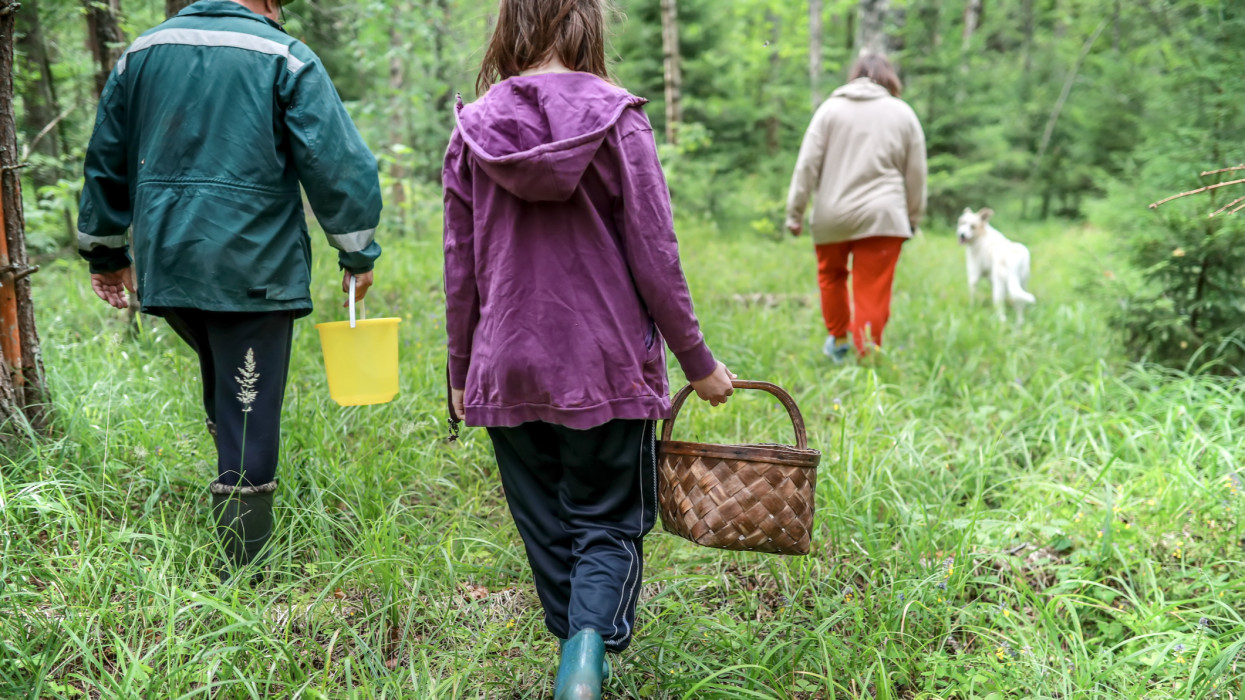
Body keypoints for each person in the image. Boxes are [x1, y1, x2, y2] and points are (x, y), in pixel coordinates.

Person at [442, 0, 734, 696]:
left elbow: (460, 265)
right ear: (585, 25)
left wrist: (461, 370)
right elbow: (656, 254)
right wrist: (698, 363)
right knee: (605, 519)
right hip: (607, 364)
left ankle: (577, 648)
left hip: (506, 363)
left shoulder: (473, 127)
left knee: (546, 523)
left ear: (511, 28)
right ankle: (584, 656)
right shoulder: (619, 119)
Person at [78, 0, 382, 583]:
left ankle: (235, 523)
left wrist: (106, 251)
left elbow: (106, 157)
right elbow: (336, 162)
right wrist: (357, 251)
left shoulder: (142, 52)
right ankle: (245, 579)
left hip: (169, 260)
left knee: (228, 382)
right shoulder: (285, 55)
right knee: (249, 407)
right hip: (252, 265)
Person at [785, 52, 927, 362]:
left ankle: (838, 342)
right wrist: (913, 217)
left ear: (855, 75)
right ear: (890, 78)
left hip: (832, 215)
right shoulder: (903, 113)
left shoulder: (829, 110)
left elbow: (806, 165)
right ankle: (867, 356)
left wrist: (795, 213)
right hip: (884, 217)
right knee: (872, 288)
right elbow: (916, 173)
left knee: (831, 277)